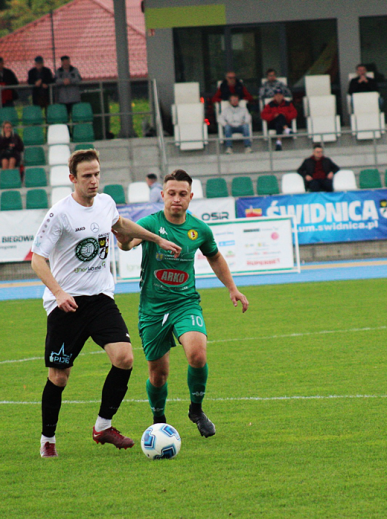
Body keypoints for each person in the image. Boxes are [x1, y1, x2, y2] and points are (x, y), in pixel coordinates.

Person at [30, 149, 181, 458]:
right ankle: (48, 439)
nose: (94, 181)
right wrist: (59, 293)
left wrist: (155, 239)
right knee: (59, 377)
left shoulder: (106, 203)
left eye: (97, 174)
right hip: (66, 304)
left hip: (100, 298)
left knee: (125, 358)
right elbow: (37, 260)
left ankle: (103, 426)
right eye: (87, 176)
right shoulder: (59, 214)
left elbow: (120, 224)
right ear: (72, 179)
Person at [116, 169, 249, 438]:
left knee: (198, 355)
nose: (177, 199)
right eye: (172, 194)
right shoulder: (151, 224)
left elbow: (215, 256)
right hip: (152, 308)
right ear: (163, 195)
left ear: (190, 197)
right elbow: (128, 243)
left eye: (182, 194)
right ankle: (159, 419)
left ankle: (196, 410)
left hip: (185, 303)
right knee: (158, 374)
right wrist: (123, 239)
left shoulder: (199, 229)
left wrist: (232, 288)